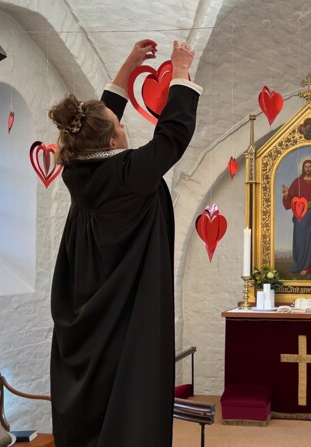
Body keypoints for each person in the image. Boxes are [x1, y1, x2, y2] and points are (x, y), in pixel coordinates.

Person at [48, 39, 201, 447]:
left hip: (86, 307)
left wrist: (129, 66)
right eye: (121, 127)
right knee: (127, 399)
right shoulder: (130, 173)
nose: (124, 128)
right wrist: (181, 74)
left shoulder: (75, 172)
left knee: (92, 402)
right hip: (124, 316)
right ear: (113, 142)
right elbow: (173, 136)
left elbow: (94, 125)